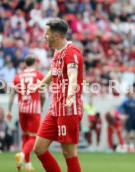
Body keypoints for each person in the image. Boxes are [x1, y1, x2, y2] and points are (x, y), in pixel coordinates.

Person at [32, 18, 84, 172]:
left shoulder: (71, 52)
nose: (44, 37)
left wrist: (70, 95)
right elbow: (54, 71)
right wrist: (41, 84)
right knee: (39, 148)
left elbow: (73, 75)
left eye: (47, 34)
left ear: (56, 36)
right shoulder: (57, 51)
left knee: (69, 152)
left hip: (68, 109)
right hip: (55, 107)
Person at [7, 55, 45, 171]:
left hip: (22, 109)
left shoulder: (18, 76)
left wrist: (9, 110)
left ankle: (27, 165)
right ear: (35, 63)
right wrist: (41, 106)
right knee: (33, 138)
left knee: (25, 136)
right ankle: (22, 155)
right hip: (34, 109)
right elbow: (43, 95)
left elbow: (12, 94)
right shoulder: (39, 75)